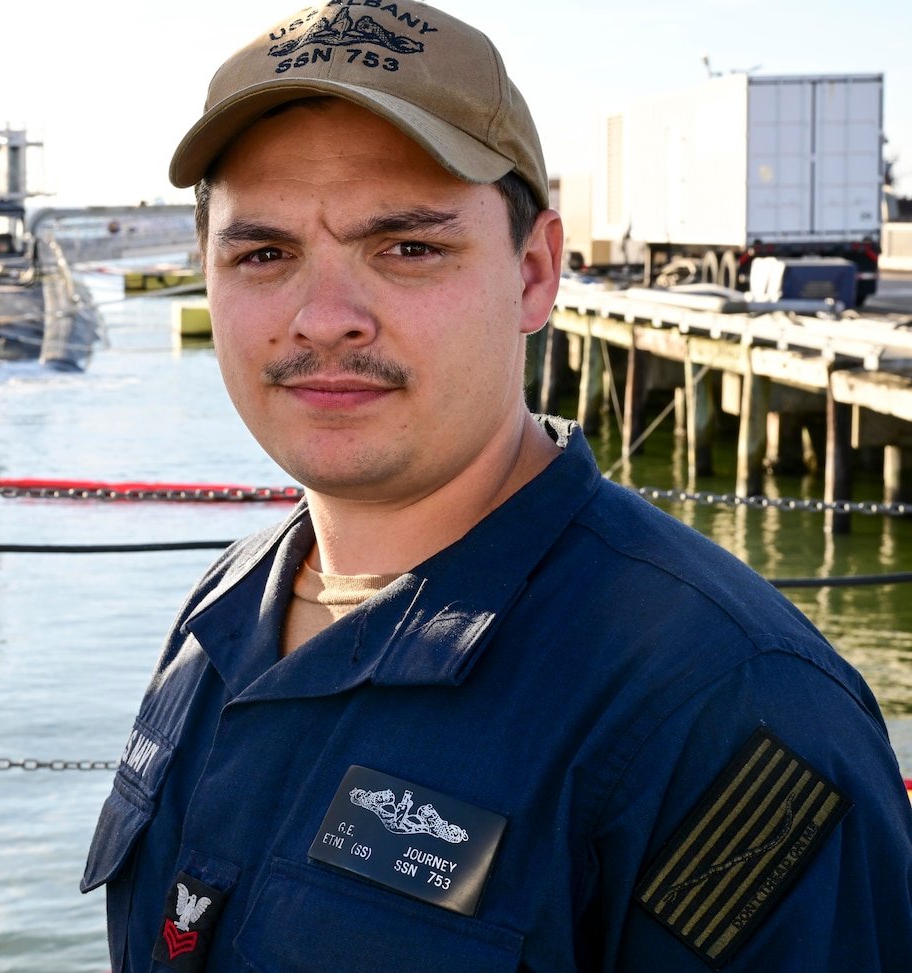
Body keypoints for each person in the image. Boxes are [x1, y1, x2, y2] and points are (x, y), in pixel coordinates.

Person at [81, 2, 912, 970]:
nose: (323, 317)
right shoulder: (224, 606)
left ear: (532, 272)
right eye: (263, 253)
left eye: (407, 247)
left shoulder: (726, 706)